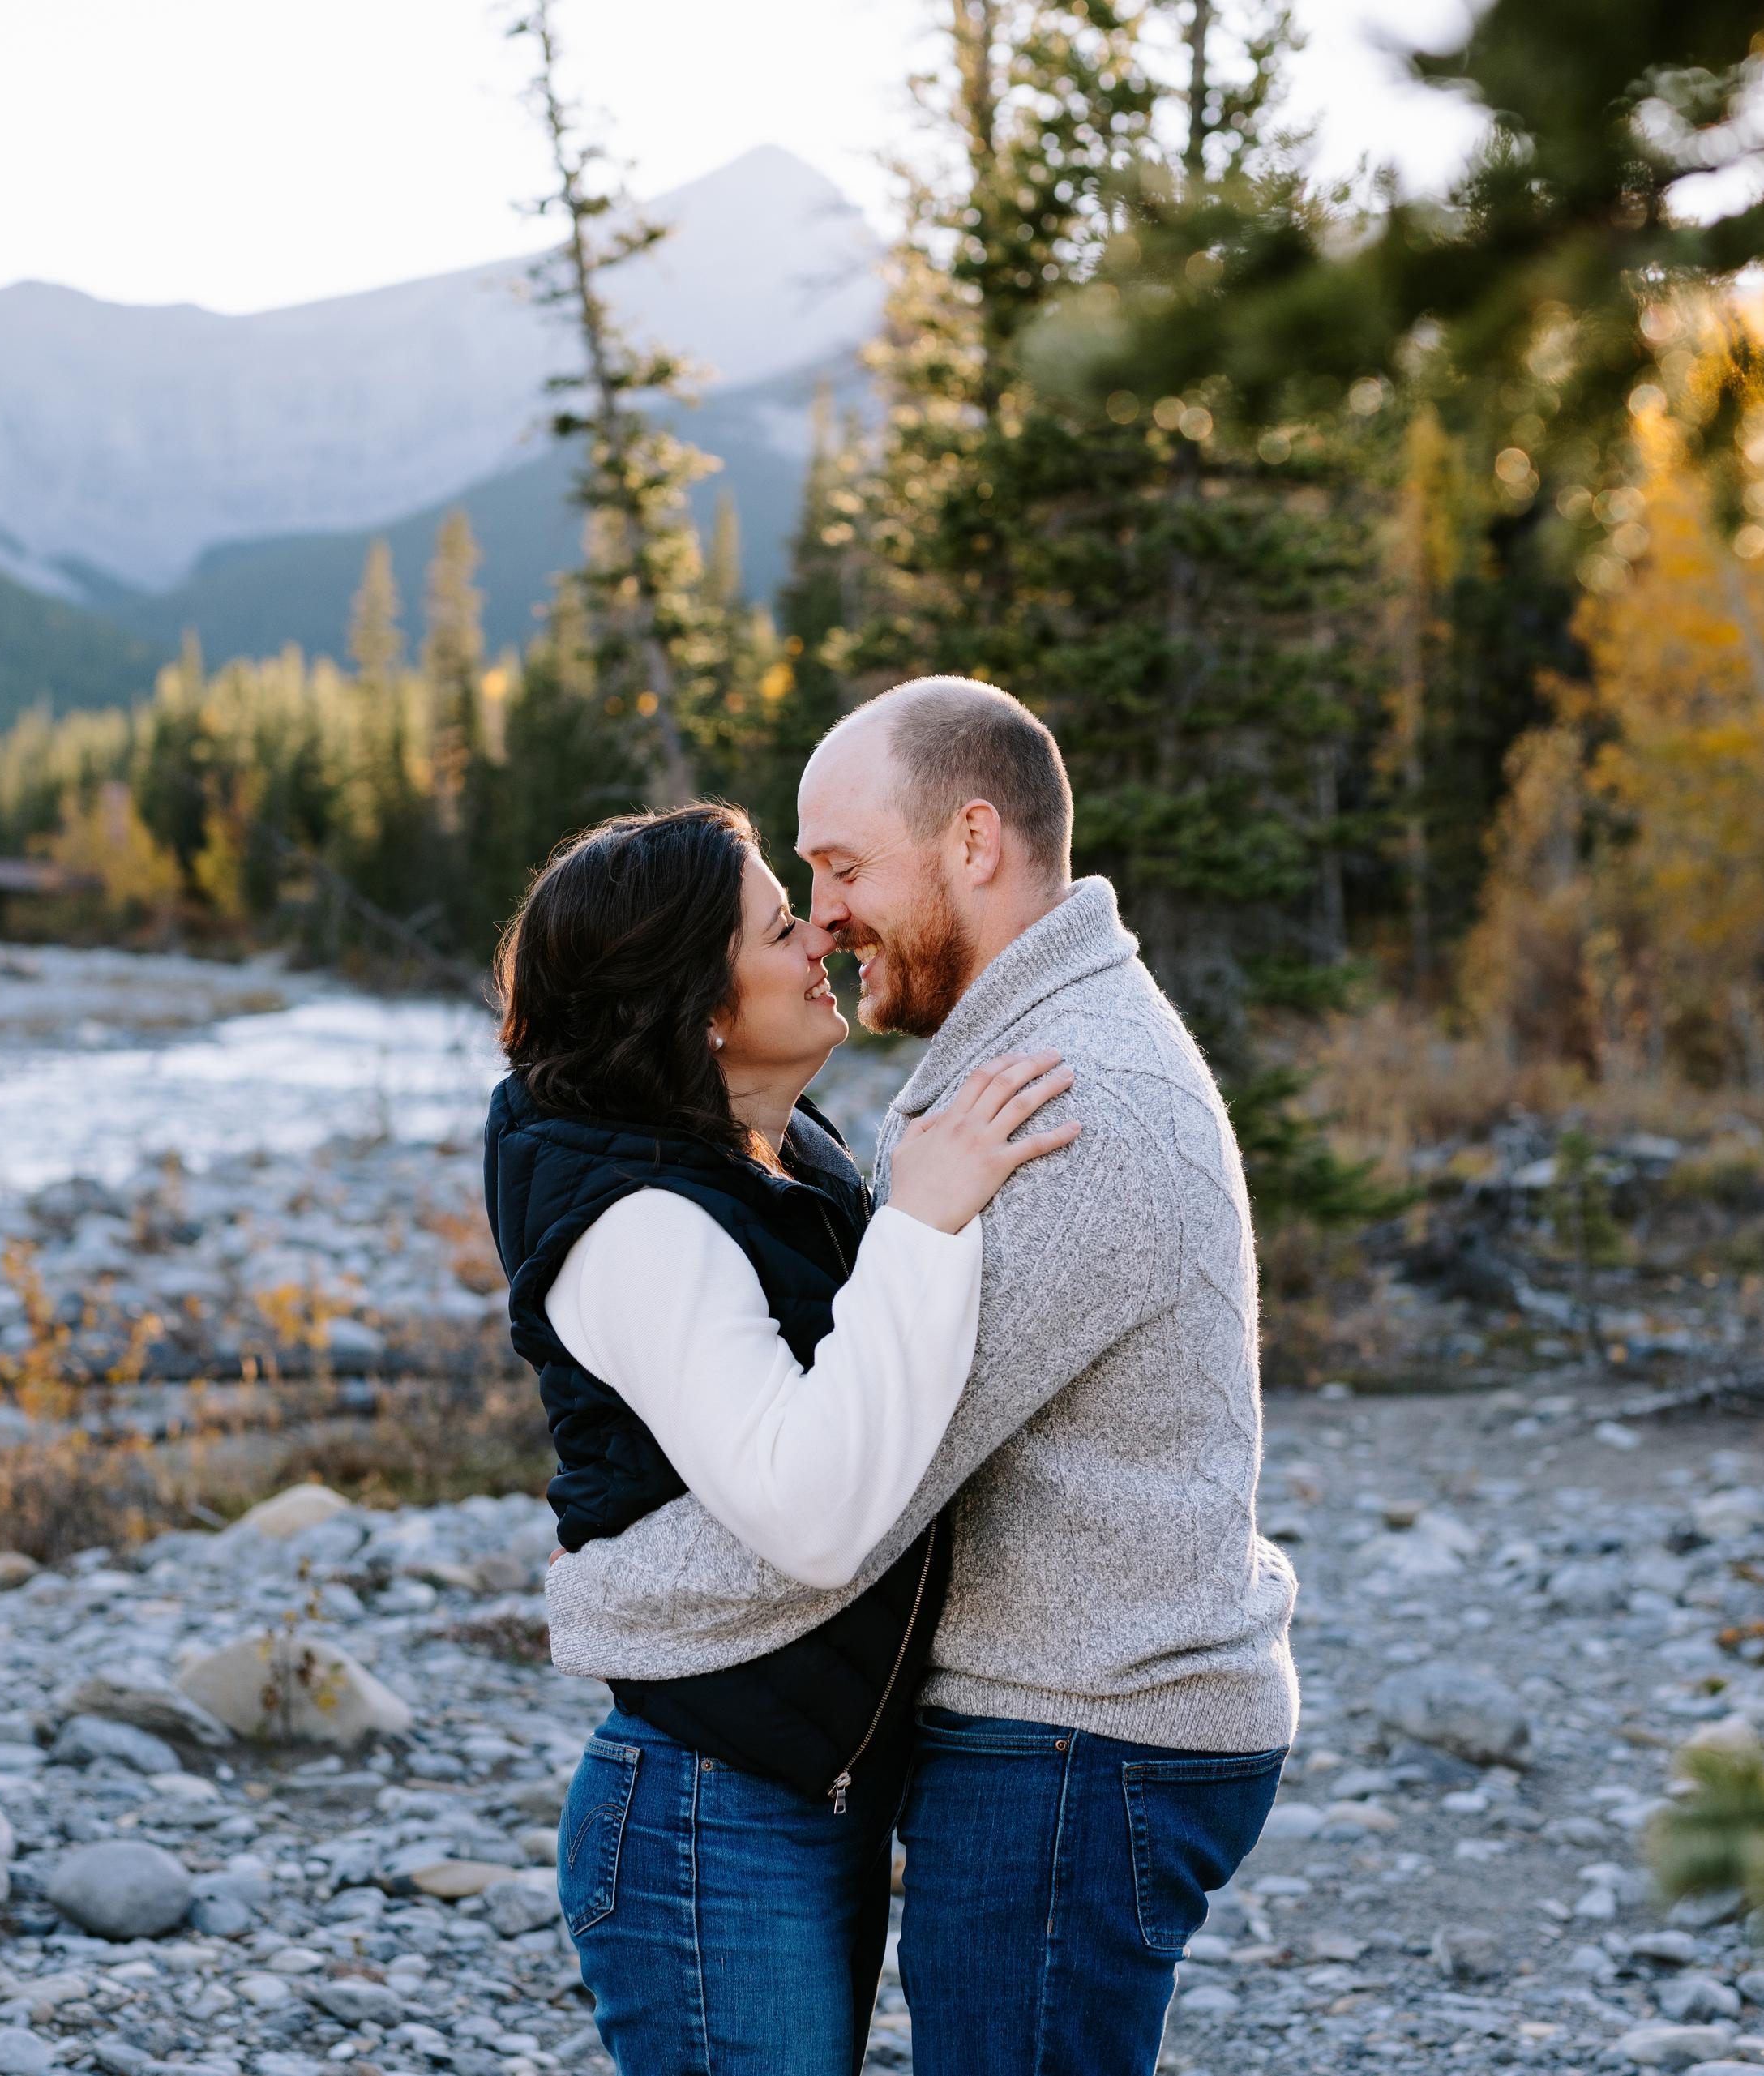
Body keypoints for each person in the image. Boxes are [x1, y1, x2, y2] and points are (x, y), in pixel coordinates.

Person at [546, 678, 1299, 2076]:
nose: (823, 914)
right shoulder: (1025, 1059)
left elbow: (847, 1505)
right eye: (807, 883)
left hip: (1079, 1736)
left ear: (971, 841)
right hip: (1076, 1724)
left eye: (840, 868)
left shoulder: (1061, 1106)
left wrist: (608, 1594)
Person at [482, 800, 1077, 2076]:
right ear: (700, 1004)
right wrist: (920, 1223)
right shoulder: (638, 1224)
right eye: (778, 924)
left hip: (794, 1786)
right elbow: (809, 1513)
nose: (821, 935)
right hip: (710, 1812)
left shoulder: (773, 1155)